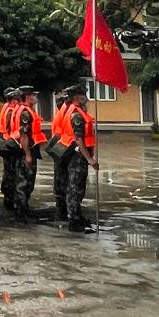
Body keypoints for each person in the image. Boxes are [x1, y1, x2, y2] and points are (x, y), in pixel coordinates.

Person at [58, 85, 98, 233]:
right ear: (76, 97)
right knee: (75, 188)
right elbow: (78, 139)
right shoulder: (76, 115)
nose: (86, 98)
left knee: (77, 187)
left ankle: (77, 216)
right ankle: (74, 221)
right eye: (83, 95)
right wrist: (90, 159)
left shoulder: (78, 111)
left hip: (77, 154)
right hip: (77, 156)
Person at [10, 85, 46, 223]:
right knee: (24, 183)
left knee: (24, 182)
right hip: (26, 150)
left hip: (27, 149)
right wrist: (28, 155)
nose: (35, 97)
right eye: (32, 95)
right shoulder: (25, 112)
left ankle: (23, 210)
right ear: (27, 97)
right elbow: (24, 135)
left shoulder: (24, 110)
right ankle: (21, 213)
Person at [50, 89, 79, 221]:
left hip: (59, 145)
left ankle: (61, 209)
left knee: (60, 178)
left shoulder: (61, 112)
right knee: (63, 179)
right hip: (62, 145)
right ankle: (63, 210)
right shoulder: (66, 112)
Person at [0, 87, 22, 211]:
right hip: (9, 143)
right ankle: (10, 198)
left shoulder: (6, 108)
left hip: (5, 141)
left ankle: (8, 197)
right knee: (11, 173)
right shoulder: (11, 110)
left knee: (8, 172)